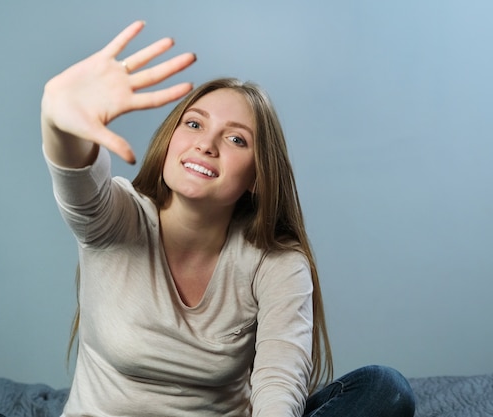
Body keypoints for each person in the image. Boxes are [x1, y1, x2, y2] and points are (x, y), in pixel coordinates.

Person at [40, 20, 416, 417]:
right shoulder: (117, 218)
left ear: (256, 176)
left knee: (384, 390)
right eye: (194, 123)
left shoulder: (277, 263)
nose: (206, 144)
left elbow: (278, 381)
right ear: (171, 139)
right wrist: (58, 122)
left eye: (236, 139)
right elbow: (79, 181)